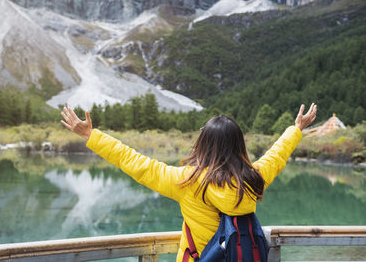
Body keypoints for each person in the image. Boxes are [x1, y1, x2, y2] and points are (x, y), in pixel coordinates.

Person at [61, 103, 317, 262]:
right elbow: (277, 155)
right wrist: (296, 129)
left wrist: (90, 135)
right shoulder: (254, 177)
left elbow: (135, 163)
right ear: (239, 145)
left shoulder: (187, 180)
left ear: (203, 143)